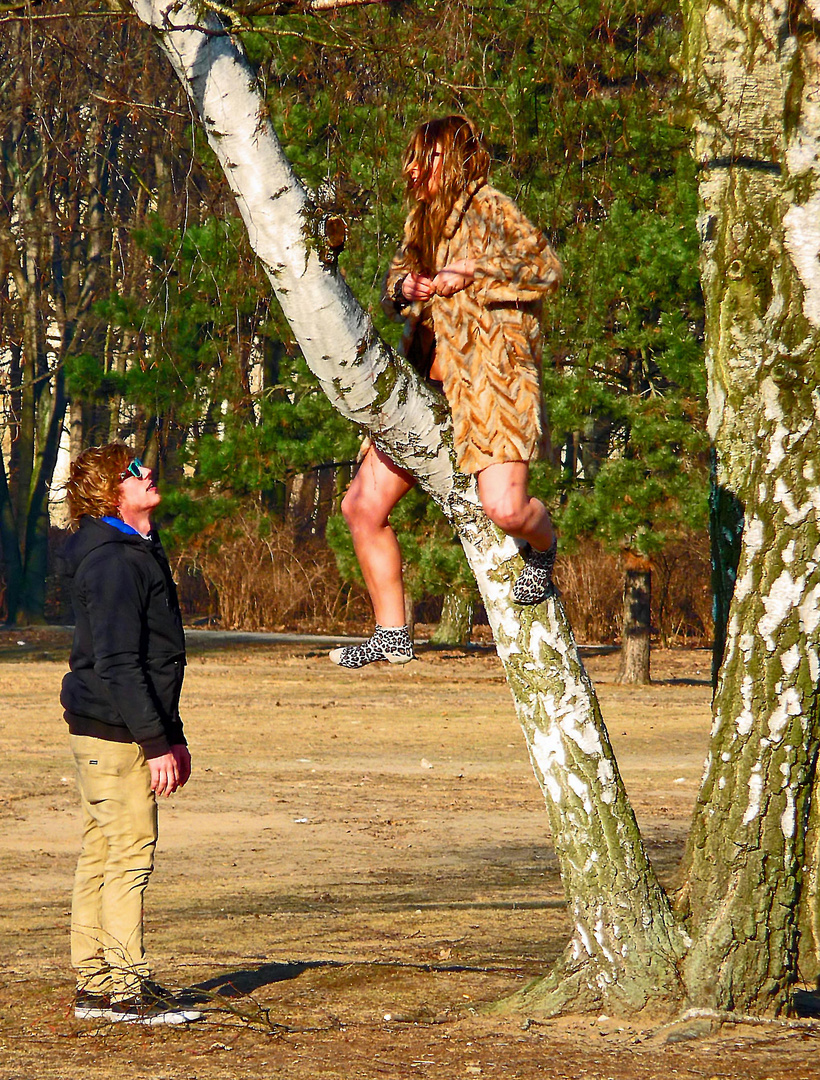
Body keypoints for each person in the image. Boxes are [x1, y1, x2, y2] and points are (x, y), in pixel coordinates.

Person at [330, 115, 562, 669]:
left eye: (426, 157)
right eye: (413, 158)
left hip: (493, 385)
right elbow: (395, 282)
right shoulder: (423, 219)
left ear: (454, 160)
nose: (414, 168)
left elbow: (545, 268)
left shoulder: (492, 207)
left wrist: (472, 271)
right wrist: (403, 286)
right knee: (361, 506)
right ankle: (393, 635)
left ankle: (546, 546)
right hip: (425, 387)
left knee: (505, 509)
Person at [61, 444, 202, 1025]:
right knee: (129, 855)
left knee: (102, 851)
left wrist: (174, 736)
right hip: (115, 734)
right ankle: (128, 991)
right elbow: (119, 663)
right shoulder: (114, 561)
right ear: (110, 493)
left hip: (116, 728)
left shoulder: (133, 549)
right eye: (133, 471)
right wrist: (153, 742)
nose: (148, 473)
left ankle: (94, 983)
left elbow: (157, 658)